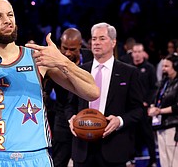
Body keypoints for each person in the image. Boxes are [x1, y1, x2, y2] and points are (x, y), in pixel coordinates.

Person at [0, 0, 99, 167]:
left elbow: (92, 92)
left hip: (36, 158)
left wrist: (63, 61)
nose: (7, 20)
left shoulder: (37, 57)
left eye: (10, 15)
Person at [67, 22, 144, 167]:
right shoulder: (79, 71)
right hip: (82, 149)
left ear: (113, 42)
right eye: (94, 39)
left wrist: (119, 121)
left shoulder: (129, 72)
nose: (96, 43)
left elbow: (138, 110)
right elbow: (69, 105)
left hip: (113, 149)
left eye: (102, 38)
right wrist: (71, 118)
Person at [44, 28, 92, 167]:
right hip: (62, 118)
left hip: (86, 116)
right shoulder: (53, 61)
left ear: (80, 46)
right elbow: (45, 91)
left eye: (73, 49)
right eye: (64, 48)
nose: (67, 53)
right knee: (59, 161)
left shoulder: (90, 58)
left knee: (83, 160)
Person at [148, 53, 178, 167]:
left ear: (175, 66)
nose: (163, 69)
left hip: (173, 127)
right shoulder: (164, 82)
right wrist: (152, 106)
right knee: (164, 161)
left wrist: (160, 111)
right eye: (163, 66)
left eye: (167, 66)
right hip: (161, 125)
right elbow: (156, 99)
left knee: (174, 161)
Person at [130, 43, 157, 167]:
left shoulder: (149, 68)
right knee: (131, 134)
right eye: (134, 52)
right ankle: (131, 159)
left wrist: (148, 101)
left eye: (138, 51)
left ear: (143, 53)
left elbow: (154, 88)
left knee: (148, 134)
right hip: (132, 108)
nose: (136, 54)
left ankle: (152, 160)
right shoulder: (128, 67)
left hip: (145, 108)